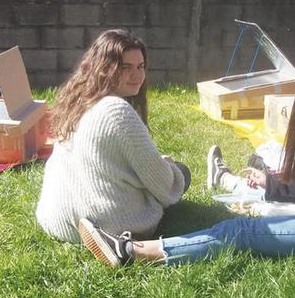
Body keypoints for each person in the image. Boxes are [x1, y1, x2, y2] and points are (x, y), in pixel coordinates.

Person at [78, 50, 295, 269]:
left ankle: (131, 251)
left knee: (239, 231)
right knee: (256, 209)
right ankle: (229, 184)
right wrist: (274, 186)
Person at [35, 29, 189, 243]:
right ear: (104, 69)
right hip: (106, 226)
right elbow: (164, 186)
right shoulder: (116, 111)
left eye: (141, 67)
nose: (137, 76)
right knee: (181, 173)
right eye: (126, 68)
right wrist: (170, 167)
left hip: (57, 219)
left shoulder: (76, 102)